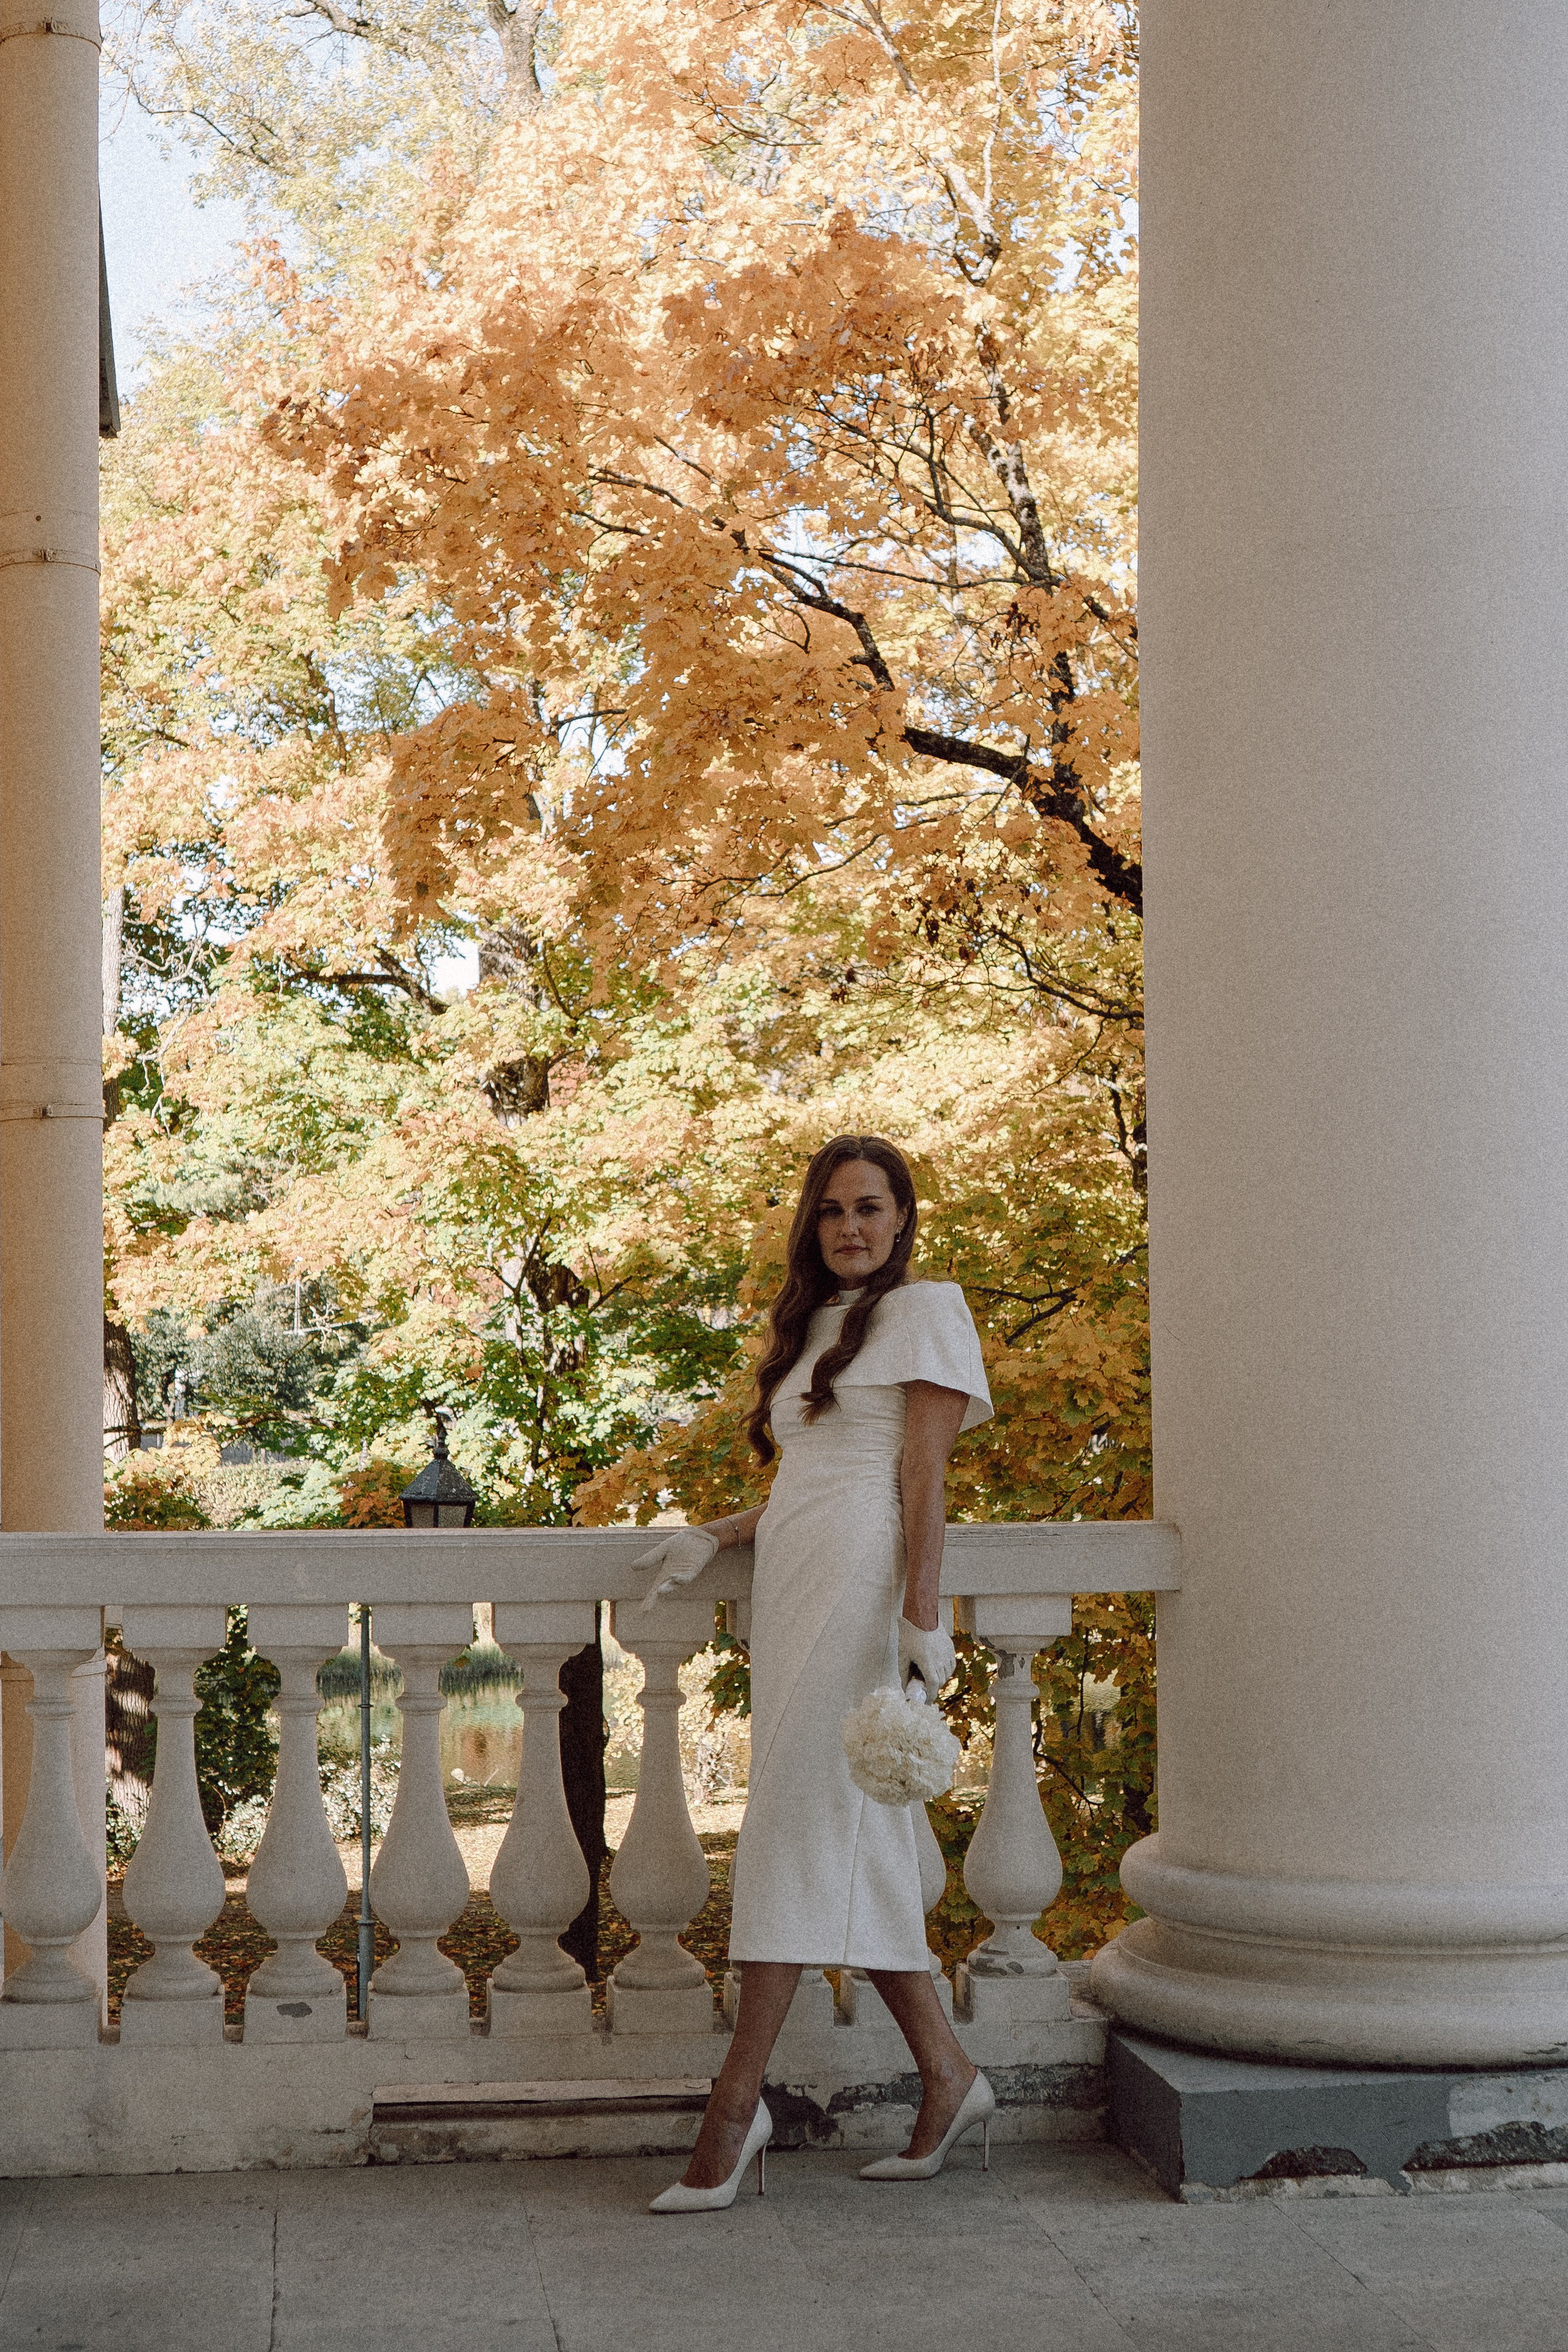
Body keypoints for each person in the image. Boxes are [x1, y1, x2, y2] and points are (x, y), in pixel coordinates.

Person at [633, 1133, 995, 2213]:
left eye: (870, 1207)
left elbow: (919, 1479)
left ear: (903, 1217)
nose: (850, 1227)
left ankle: (733, 2108)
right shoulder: (812, 1326)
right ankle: (948, 2074)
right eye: (833, 1210)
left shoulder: (927, 1311)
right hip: (795, 1585)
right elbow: (812, 1478)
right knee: (845, 1838)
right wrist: (716, 1533)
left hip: (861, 1590)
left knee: (795, 1828)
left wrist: (924, 1620)